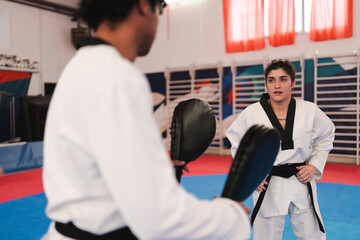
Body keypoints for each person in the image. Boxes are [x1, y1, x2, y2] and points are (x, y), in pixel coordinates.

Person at [41, 0, 251, 239]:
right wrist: (231, 218)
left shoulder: (77, 68)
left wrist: (153, 168)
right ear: (143, 5)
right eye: (160, 8)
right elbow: (160, 218)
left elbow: (92, 166)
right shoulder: (118, 77)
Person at [226, 59, 335, 240]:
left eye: (283, 79)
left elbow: (326, 135)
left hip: (300, 180)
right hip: (267, 182)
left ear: (293, 82)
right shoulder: (252, 112)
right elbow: (237, 143)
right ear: (266, 83)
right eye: (271, 80)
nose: (277, 85)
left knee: (312, 235)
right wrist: (250, 174)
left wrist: (314, 165)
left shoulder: (309, 110)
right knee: (266, 236)